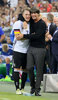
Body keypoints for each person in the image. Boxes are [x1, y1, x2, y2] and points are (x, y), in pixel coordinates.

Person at [18, 7, 47, 96]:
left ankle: (37, 90)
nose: (33, 15)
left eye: (35, 13)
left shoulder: (42, 24)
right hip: (31, 48)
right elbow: (20, 16)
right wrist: (23, 21)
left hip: (40, 49)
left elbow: (37, 36)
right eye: (32, 13)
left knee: (39, 70)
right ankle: (33, 86)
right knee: (29, 67)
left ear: (38, 14)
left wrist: (25, 35)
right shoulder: (31, 21)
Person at [12, 8, 31, 95]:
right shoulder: (18, 23)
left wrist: (25, 34)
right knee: (16, 69)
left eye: (29, 14)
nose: (28, 16)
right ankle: (17, 89)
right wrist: (26, 32)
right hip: (18, 50)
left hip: (27, 51)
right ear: (22, 15)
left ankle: (22, 88)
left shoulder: (30, 24)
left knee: (25, 70)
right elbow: (17, 37)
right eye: (26, 14)